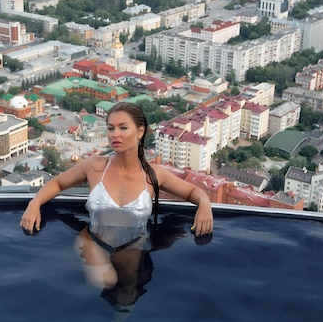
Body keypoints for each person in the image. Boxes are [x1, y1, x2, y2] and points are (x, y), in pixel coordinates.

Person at [20, 102, 213, 288]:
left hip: (133, 244)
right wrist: (34, 203)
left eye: (123, 127)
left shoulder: (154, 174)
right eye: (111, 128)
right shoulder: (95, 166)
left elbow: (193, 191)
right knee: (105, 282)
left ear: (140, 131)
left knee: (128, 292)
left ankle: (118, 321)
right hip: (93, 241)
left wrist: (204, 204)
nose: (115, 134)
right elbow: (57, 182)